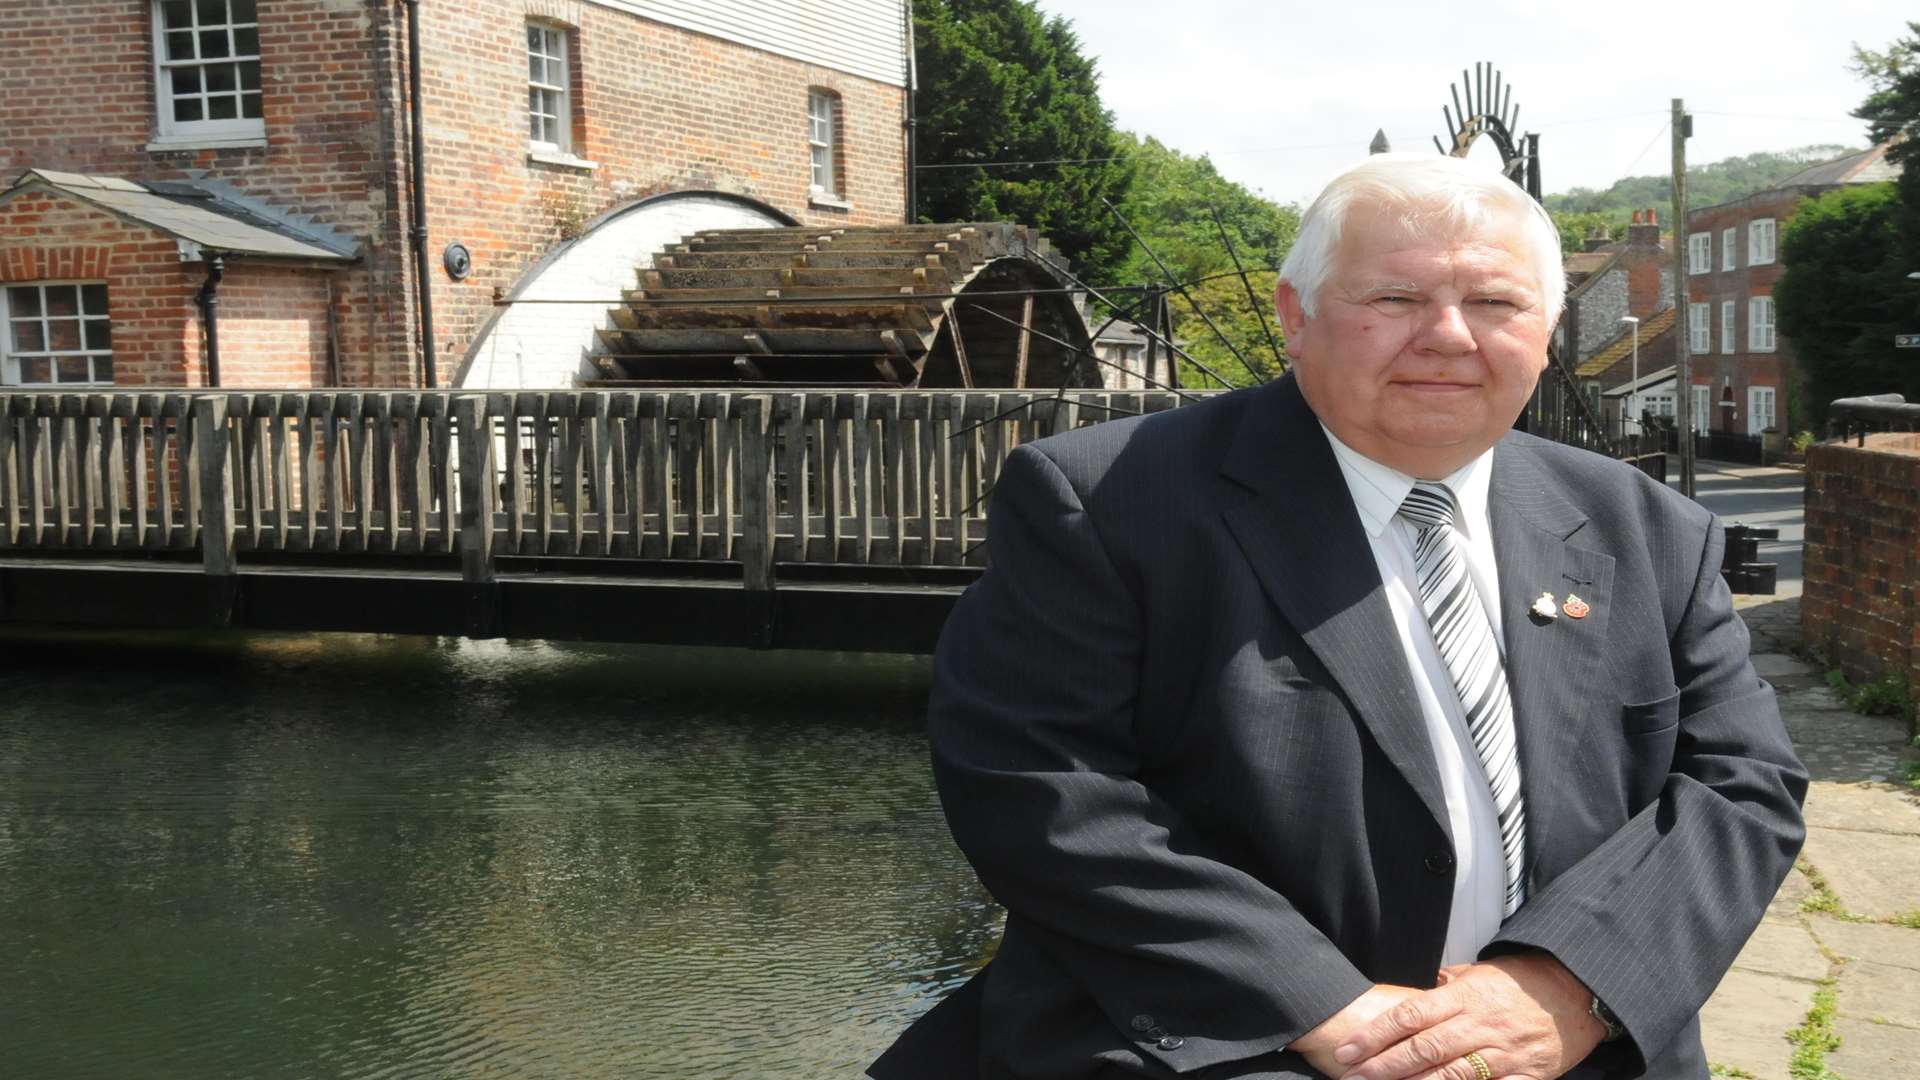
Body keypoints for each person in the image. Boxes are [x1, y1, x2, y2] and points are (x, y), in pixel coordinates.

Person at [869, 153, 1807, 1080]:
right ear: (1295, 315)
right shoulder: (1105, 501)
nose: (1448, 336)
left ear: (1549, 329)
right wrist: (1329, 1006)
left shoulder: (1651, 531)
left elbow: (1742, 785)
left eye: (1496, 304)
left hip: (1570, 1048)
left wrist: (1573, 984)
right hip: (1223, 1042)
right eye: (1395, 301)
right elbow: (1040, 784)